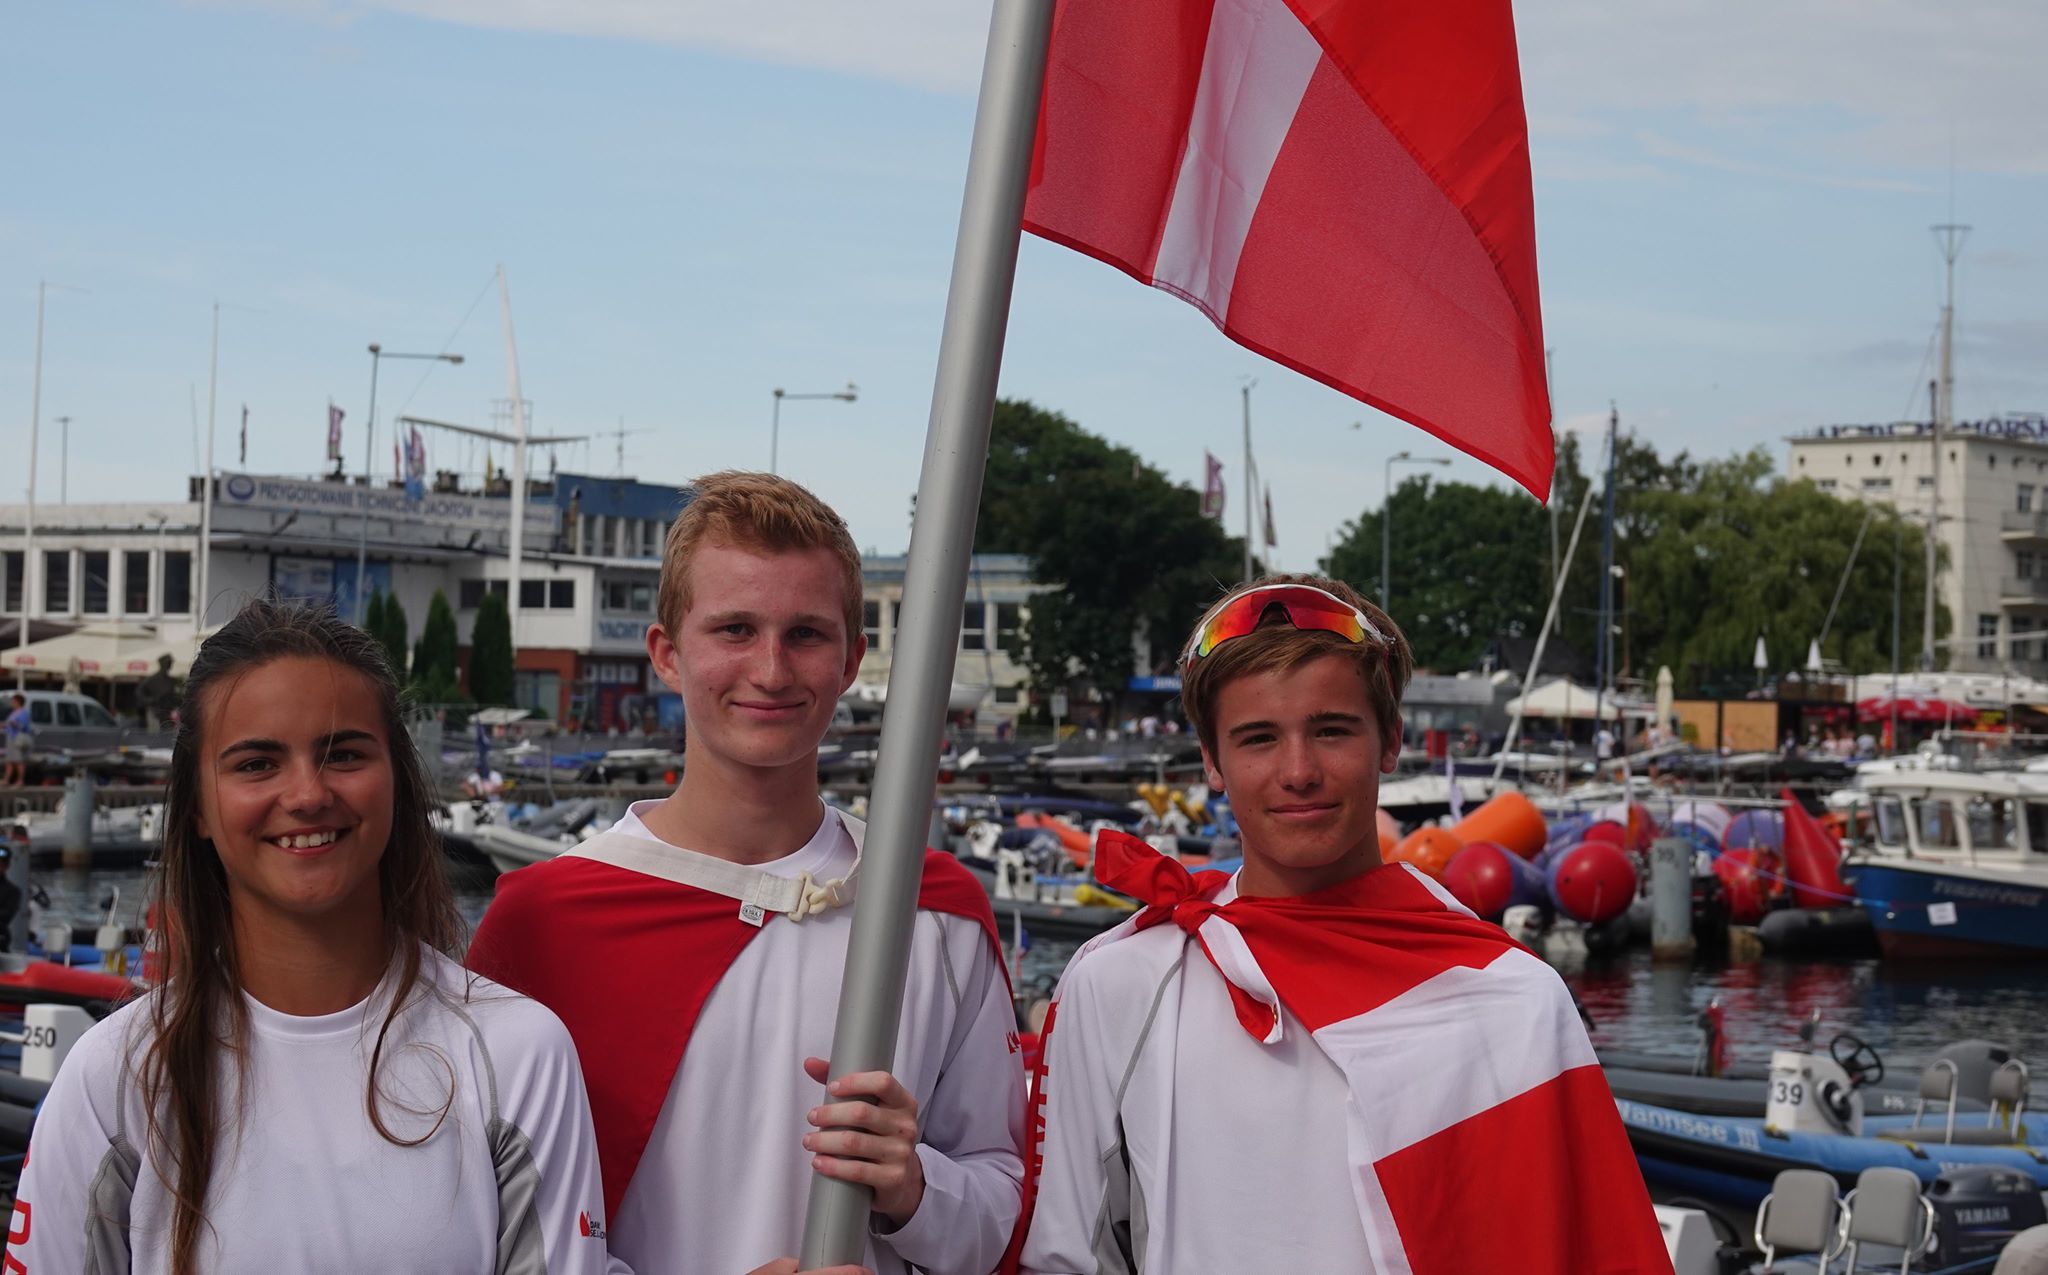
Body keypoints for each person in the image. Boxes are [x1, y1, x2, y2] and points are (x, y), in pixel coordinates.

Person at [1007, 575, 1668, 1274]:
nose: (1298, 771)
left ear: (1390, 740)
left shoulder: (1516, 1000)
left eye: (1331, 730)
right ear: (1211, 761)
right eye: (1258, 738)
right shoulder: (1121, 982)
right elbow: (1064, 1254)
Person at [469, 471, 1024, 1275]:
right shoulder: (545, 921)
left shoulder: (934, 910)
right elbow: (487, 1225)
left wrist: (916, 1190)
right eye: (734, 628)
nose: (770, 669)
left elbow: (1002, 1212)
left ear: (852, 658)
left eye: (805, 633)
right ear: (666, 652)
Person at [5, 598, 616, 1273]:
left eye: (343, 753)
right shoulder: (113, 1076)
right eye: (256, 764)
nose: (306, 793)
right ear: (200, 807)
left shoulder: (518, 1058)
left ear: (396, 781)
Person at [2, 692, 28, 786]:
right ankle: (6, 780)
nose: (12, 703)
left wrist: (14, 724)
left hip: (18, 740)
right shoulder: (13, 713)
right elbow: (8, 724)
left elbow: (23, 726)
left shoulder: (23, 713)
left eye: (13, 701)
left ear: (18, 702)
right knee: (9, 761)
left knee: (18, 761)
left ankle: (20, 781)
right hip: (11, 738)